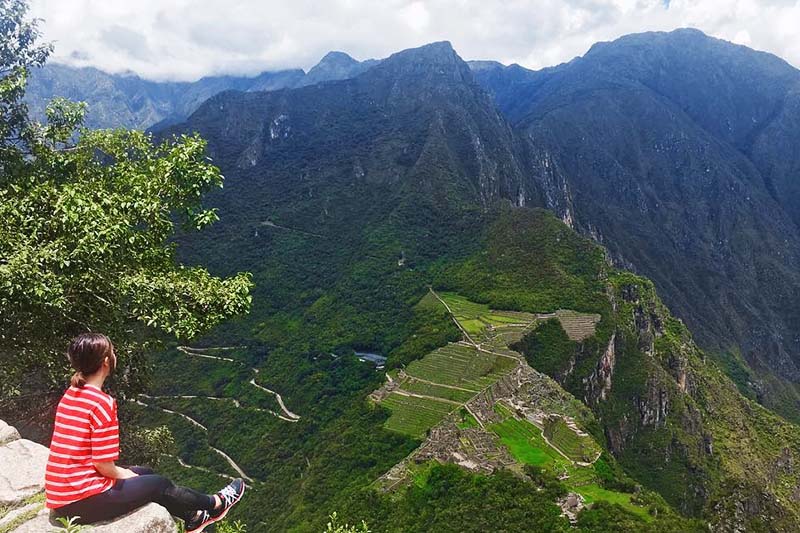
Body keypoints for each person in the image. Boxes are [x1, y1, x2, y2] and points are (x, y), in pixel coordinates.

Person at [45, 333, 245, 533]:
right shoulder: (101, 403)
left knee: (145, 473)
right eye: (112, 352)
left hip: (62, 495)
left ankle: (194, 517)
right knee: (159, 484)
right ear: (106, 361)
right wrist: (127, 474)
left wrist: (131, 474)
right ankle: (216, 504)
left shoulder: (71, 393)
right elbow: (103, 465)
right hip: (80, 501)